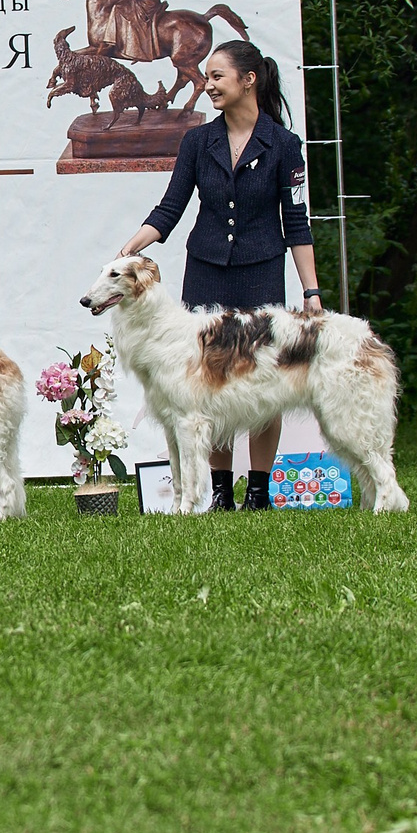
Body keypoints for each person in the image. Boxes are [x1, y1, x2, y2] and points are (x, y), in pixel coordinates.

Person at [116, 39, 321, 510]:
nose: (207, 85)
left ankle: (259, 491)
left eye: (216, 77)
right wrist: (130, 248)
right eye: (207, 77)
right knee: (209, 383)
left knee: (265, 383)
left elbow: (297, 223)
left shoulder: (284, 145)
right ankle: (221, 491)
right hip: (206, 275)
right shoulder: (197, 141)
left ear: (248, 80)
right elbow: (170, 208)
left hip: (260, 276)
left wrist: (311, 291)